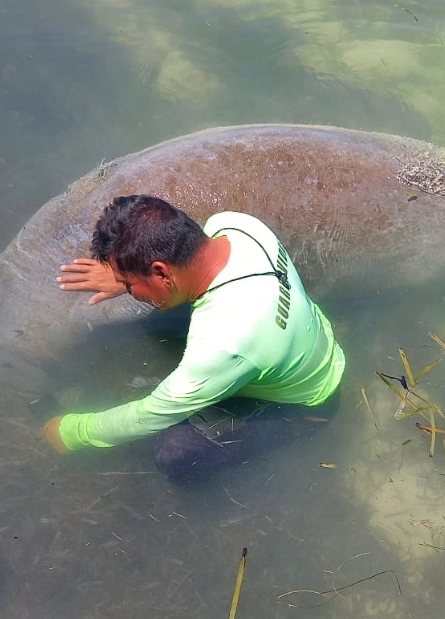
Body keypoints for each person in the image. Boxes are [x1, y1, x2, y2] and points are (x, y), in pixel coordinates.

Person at [42, 195, 346, 481]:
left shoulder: (224, 343)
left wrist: (72, 432)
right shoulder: (238, 226)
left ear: (160, 272)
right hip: (310, 340)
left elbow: (150, 415)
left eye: (129, 284)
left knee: (175, 454)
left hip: (308, 405)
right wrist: (130, 274)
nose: (130, 292)